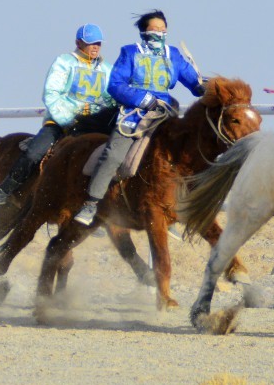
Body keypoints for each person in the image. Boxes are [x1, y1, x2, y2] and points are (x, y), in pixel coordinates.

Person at [73, 11, 202, 225]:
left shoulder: (174, 55)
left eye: (163, 29)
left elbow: (193, 82)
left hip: (165, 113)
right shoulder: (130, 52)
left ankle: (178, 207)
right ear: (144, 31)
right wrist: (143, 99)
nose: (160, 33)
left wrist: (204, 85)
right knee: (113, 155)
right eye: (155, 29)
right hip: (135, 113)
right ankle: (91, 203)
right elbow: (115, 85)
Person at [0, 23, 119, 207]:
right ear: (78, 43)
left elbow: (111, 99)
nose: (95, 47)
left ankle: (97, 209)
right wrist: (69, 118)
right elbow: (51, 93)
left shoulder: (108, 70)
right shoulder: (64, 62)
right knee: (33, 153)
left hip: (93, 125)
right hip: (61, 123)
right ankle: (4, 190)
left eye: (98, 43)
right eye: (90, 43)